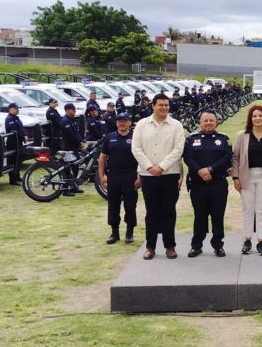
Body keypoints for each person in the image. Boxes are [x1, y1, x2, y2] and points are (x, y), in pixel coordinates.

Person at [131, 93, 186, 260]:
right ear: (153, 106)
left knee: (169, 211)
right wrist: (149, 167)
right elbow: (136, 148)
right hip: (148, 175)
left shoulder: (176, 125)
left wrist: (161, 166)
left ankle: (170, 246)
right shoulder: (142, 124)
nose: (164, 108)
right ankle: (150, 246)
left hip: (169, 174)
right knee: (152, 212)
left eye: (166, 105)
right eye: (160, 105)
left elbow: (178, 149)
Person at [184, 110, 232, 258]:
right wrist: (200, 170)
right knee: (200, 216)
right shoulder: (191, 139)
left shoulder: (223, 139)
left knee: (218, 216)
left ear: (216, 122)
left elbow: (227, 157)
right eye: (205, 120)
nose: (209, 123)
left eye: (211, 120)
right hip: (198, 185)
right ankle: (196, 246)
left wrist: (210, 169)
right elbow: (187, 157)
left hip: (218, 184)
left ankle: (218, 245)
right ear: (200, 122)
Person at [232, 105, 262, 256]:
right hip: (246, 176)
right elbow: (236, 157)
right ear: (250, 118)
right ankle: (247, 240)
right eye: (254, 116)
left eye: (260, 116)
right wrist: (235, 177)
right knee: (248, 209)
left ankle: (261, 241)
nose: (257, 118)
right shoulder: (241, 135)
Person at [98, 113, 141, 245]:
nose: (122, 124)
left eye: (124, 121)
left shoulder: (136, 137)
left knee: (130, 205)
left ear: (129, 123)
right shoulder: (110, 137)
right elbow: (102, 158)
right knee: (113, 205)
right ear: (116, 123)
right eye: (119, 121)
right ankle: (114, 233)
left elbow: (142, 159)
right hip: (114, 176)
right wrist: (102, 176)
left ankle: (129, 232)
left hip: (130, 176)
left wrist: (140, 178)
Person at [60, 103, 84, 196]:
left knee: (75, 167)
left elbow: (76, 133)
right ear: (67, 110)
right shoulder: (65, 121)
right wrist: (79, 142)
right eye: (73, 109)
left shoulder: (71, 120)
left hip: (74, 147)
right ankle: (65, 190)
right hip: (68, 148)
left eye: (75, 109)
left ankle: (73, 186)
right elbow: (71, 135)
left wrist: (79, 142)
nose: (74, 111)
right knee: (67, 169)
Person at [4, 102, 28, 186]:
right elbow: (14, 130)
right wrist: (23, 137)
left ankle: (17, 176)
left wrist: (25, 135)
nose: (18, 110)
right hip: (12, 143)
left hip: (18, 142)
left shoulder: (16, 118)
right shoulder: (9, 119)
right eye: (16, 109)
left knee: (19, 160)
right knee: (13, 161)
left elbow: (21, 128)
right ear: (10, 109)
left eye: (18, 108)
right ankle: (12, 179)